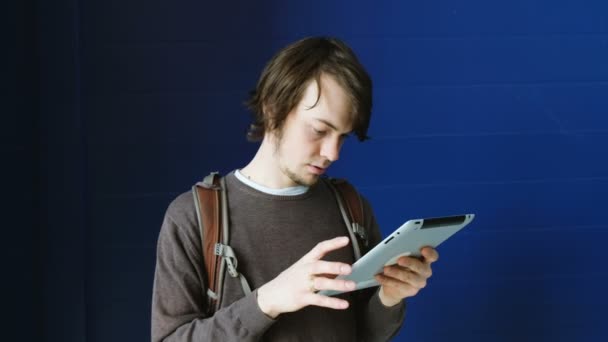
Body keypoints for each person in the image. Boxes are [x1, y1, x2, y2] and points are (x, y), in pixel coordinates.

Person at [151, 36, 439, 341]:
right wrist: (267, 301)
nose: (333, 153)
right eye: (319, 130)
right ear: (273, 109)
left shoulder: (352, 208)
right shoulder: (193, 217)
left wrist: (389, 298)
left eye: (343, 136)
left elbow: (366, 334)